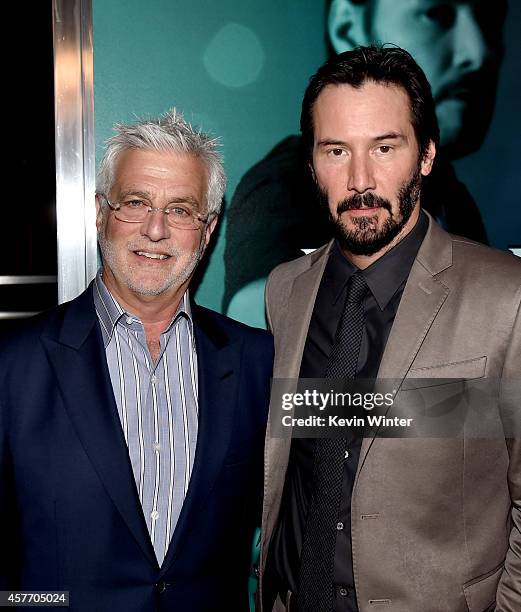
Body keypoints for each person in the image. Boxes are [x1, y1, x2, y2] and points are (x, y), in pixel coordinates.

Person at [259, 46, 520, 612]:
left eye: (384, 147)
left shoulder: (508, 296)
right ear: (311, 164)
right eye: (336, 150)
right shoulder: (285, 291)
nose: (359, 180)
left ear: (426, 155)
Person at [0, 109, 273, 611]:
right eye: (135, 203)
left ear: (207, 230)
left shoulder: (258, 363)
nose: (154, 229)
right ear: (101, 213)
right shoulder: (12, 367)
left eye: (181, 210)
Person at [224, 0, 507, 325]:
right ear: (348, 26)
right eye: (435, 14)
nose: (479, 52)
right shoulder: (286, 188)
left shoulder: (451, 195)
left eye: (490, 19)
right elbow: (257, 325)